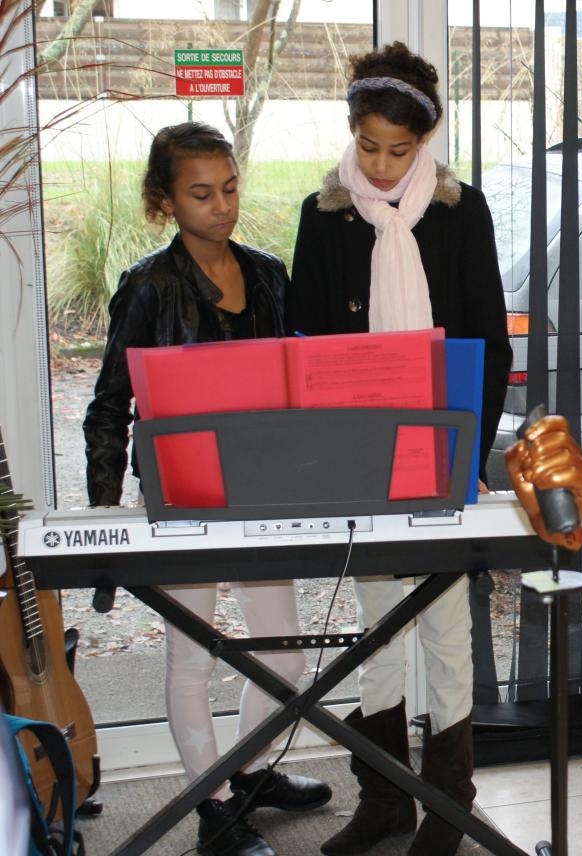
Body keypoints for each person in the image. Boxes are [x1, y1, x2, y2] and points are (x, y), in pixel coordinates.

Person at [287, 42, 512, 856]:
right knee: (378, 631)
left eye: (401, 151)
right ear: (352, 131)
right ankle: (385, 800)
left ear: (428, 138)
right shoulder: (322, 215)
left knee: (446, 630)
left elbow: (491, 344)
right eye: (369, 146)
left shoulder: (462, 209)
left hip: (440, 449)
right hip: (357, 451)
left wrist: (467, 457)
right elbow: (301, 343)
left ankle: (448, 805)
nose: (381, 167)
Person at [82, 122, 331, 856]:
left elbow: (296, 383)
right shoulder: (148, 287)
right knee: (192, 658)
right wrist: (105, 512)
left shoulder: (268, 275)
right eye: (200, 193)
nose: (221, 206)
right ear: (164, 201)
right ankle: (217, 810)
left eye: (229, 188)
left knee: (284, 655)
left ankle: (243, 772)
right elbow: (106, 405)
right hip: (181, 493)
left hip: (262, 489)